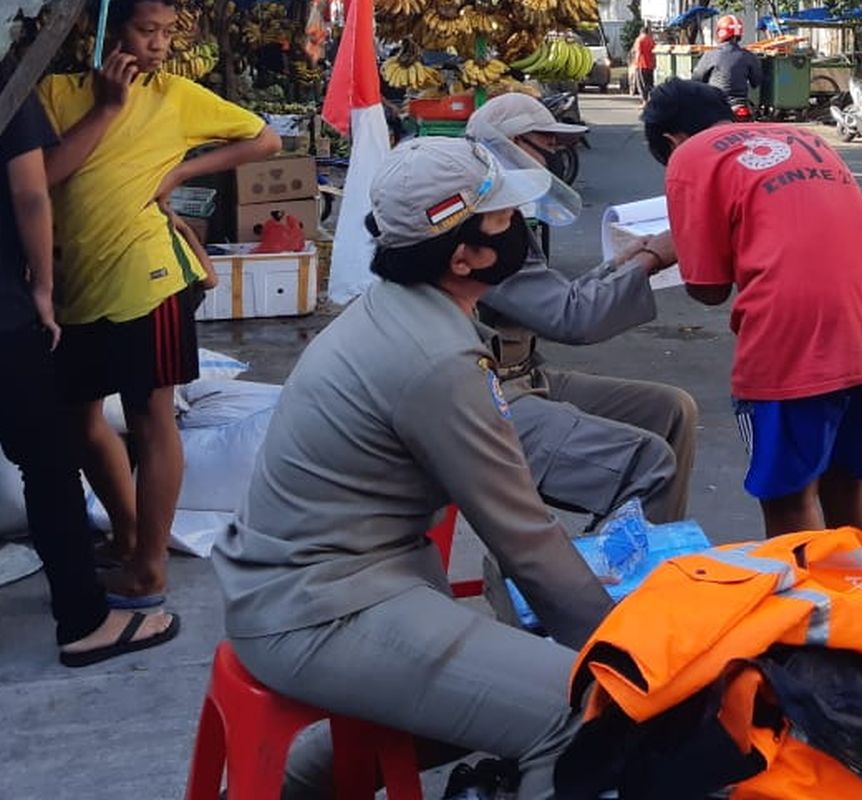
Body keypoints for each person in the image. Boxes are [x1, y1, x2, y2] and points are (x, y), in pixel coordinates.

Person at [211, 137, 615, 800]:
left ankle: (297, 786)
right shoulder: (436, 361)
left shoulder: (397, 311)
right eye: (504, 223)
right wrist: (627, 653)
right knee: (589, 710)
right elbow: (525, 540)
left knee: (520, 684)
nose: (520, 232)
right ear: (464, 258)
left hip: (310, 583)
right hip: (324, 610)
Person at [38, 0, 281, 606]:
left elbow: (265, 138)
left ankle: (150, 563)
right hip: (77, 286)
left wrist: (180, 175)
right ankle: (125, 534)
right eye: (146, 31)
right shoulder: (54, 94)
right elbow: (41, 177)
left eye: (168, 33)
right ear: (101, 32)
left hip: (151, 280)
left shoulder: (177, 95)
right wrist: (108, 108)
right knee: (79, 417)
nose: (159, 45)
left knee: (152, 416)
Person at [642, 79, 862, 539]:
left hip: (798, 327)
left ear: (672, 141)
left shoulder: (690, 157)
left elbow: (707, 289)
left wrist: (671, 248)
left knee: (789, 498)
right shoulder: (804, 138)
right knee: (847, 480)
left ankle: (811, 611)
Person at [0, 87, 178, 667]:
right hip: (4, 311)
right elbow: (32, 192)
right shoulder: (12, 81)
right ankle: (83, 621)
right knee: (48, 464)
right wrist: (46, 290)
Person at [465, 92, 697, 527]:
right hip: (484, 397)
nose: (552, 160)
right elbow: (570, 319)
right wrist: (652, 259)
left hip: (524, 377)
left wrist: (622, 262)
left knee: (673, 409)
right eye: (545, 146)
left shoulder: (508, 215)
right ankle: (622, 582)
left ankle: (641, 551)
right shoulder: (481, 221)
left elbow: (553, 297)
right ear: (507, 144)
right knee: (647, 460)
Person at [691, 15, 762, 105]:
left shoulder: (711, 55)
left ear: (720, 32)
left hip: (716, 103)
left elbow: (697, 78)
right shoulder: (748, 56)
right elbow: (756, 82)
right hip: (741, 104)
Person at [631, 24, 657, 105]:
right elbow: (654, 53)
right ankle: (652, 99)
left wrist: (635, 64)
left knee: (642, 84)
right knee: (650, 83)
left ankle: (645, 101)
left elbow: (638, 52)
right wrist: (654, 63)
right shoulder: (651, 40)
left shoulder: (639, 40)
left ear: (641, 32)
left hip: (641, 65)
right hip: (650, 65)